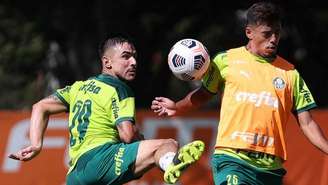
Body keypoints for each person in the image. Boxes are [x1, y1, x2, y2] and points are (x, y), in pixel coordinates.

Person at [151, 2, 328, 185]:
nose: (273, 39)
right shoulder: (225, 61)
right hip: (232, 159)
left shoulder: (290, 73)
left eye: (277, 33)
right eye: (267, 34)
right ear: (249, 32)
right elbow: (203, 94)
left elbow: (307, 123)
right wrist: (177, 107)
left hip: (270, 169)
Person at [8, 37, 205, 185]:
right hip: (101, 160)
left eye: (134, 57)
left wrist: (36, 145)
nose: (134, 62)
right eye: (126, 57)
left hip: (75, 173)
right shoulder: (119, 88)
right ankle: (171, 164)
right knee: (167, 144)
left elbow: (40, 107)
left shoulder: (78, 87)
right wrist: (140, 140)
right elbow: (127, 135)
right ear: (107, 62)